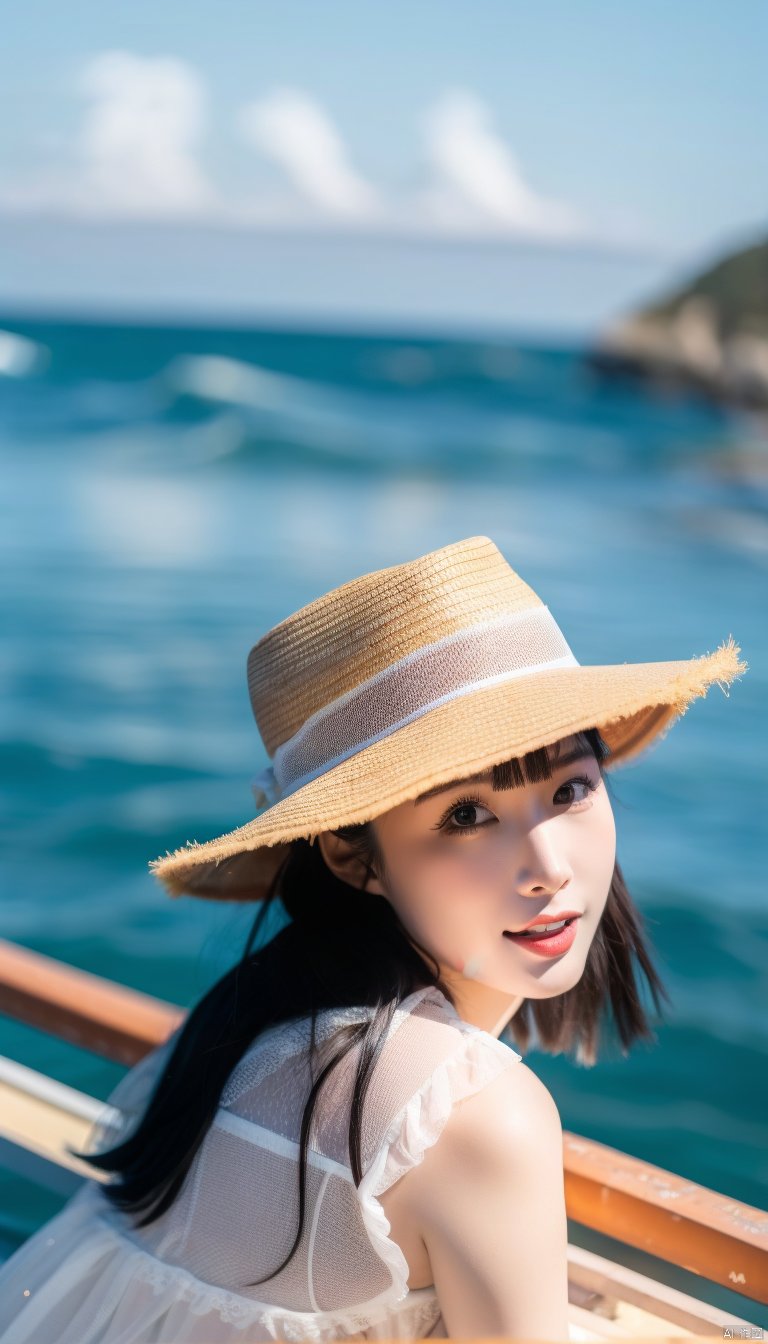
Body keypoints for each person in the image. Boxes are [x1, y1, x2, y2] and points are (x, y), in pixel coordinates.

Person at [0, 534, 747, 1343]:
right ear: (356, 860)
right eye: (467, 816)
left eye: (569, 788)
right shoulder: (476, 1120)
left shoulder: (239, 1026)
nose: (548, 868)